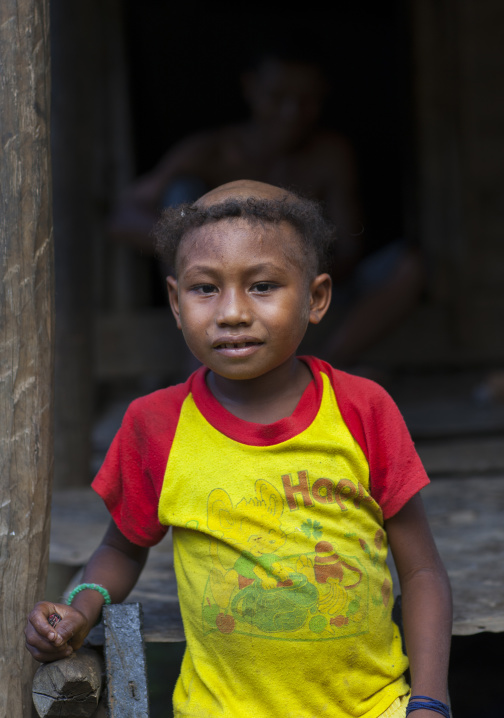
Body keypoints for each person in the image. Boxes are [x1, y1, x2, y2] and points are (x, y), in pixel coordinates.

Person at [26, 181, 452, 718]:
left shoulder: (362, 409)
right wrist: (80, 608)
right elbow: (121, 549)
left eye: (263, 286)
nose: (231, 312)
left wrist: (431, 702)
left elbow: (421, 573)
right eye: (205, 289)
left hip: (374, 707)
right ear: (176, 303)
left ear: (317, 298)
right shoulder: (154, 424)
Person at [109, 49, 424, 370]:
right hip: (223, 292)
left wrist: (288, 270)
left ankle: (321, 371)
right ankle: (206, 366)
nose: (291, 113)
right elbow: (123, 218)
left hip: (307, 285)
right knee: (181, 196)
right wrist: (205, 245)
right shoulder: (210, 153)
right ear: (250, 88)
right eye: (278, 97)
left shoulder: (330, 155)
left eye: (306, 101)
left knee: (408, 266)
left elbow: (348, 248)